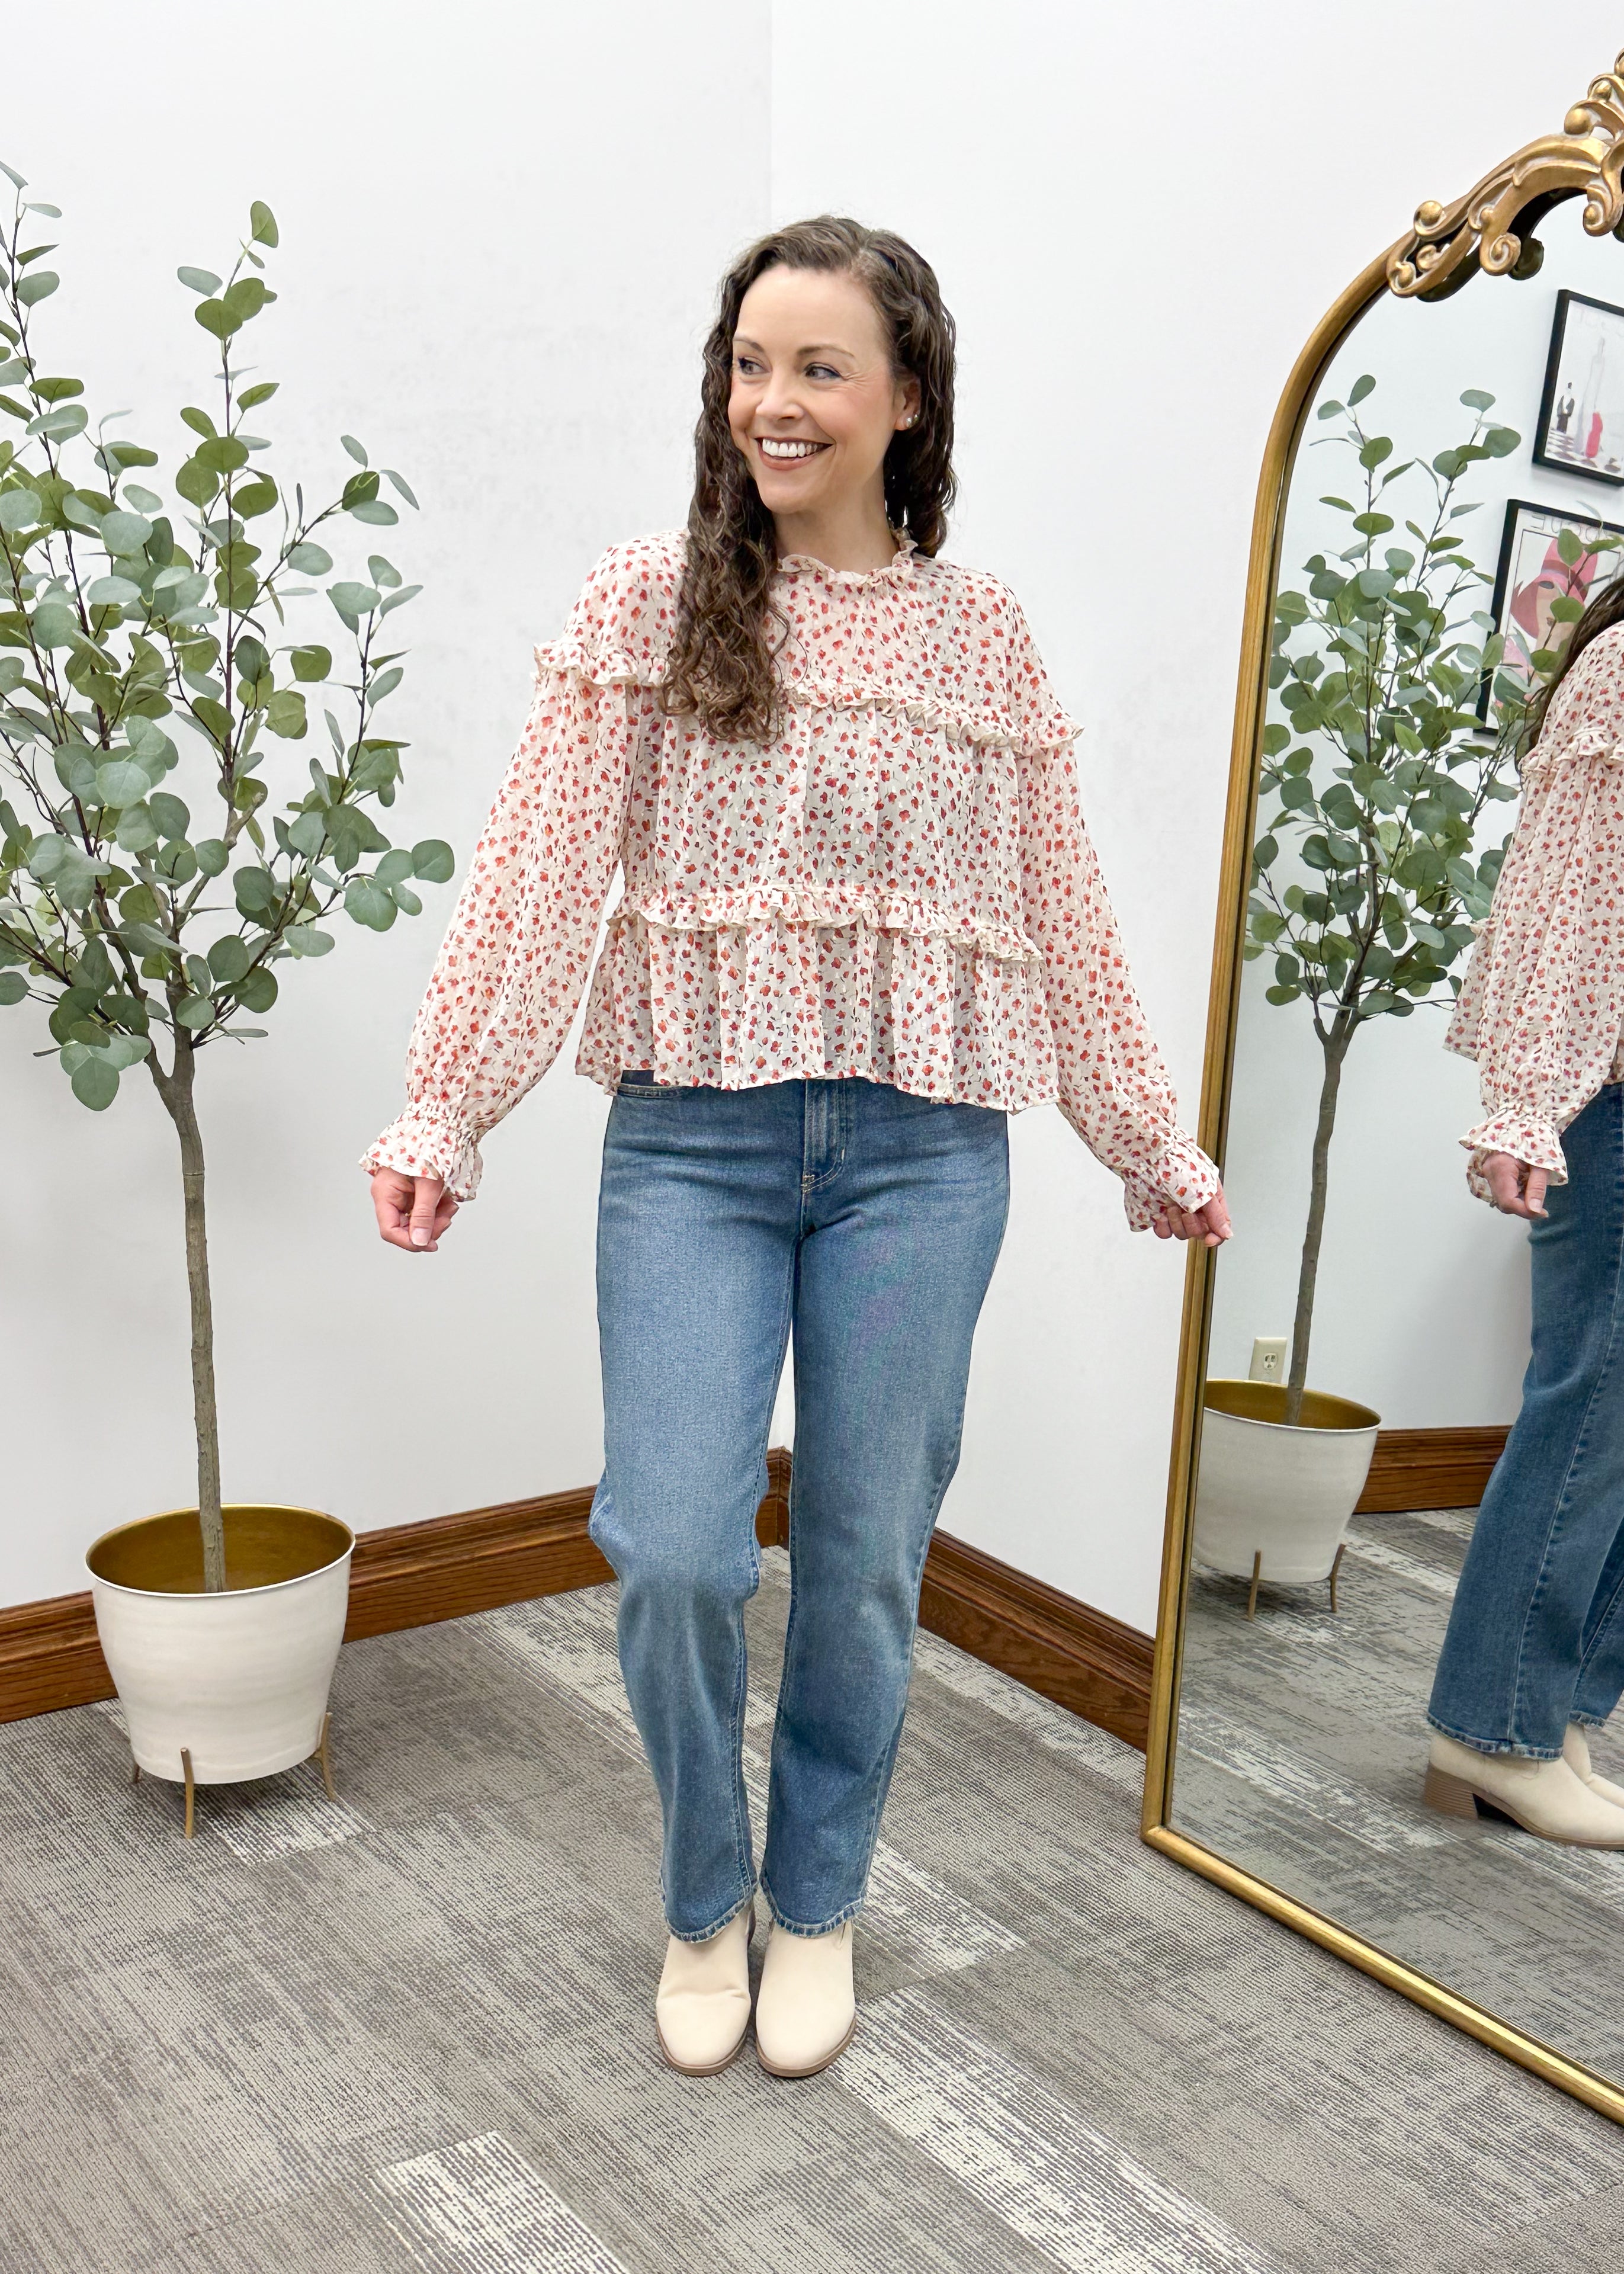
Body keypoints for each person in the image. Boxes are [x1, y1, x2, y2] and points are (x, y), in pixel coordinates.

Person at [363, 217, 1228, 2077]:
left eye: (818, 367)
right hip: (693, 1146)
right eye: (748, 363)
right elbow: (532, 876)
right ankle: (704, 1896)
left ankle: (815, 1898)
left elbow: (1062, 912)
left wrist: (1146, 1140)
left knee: (858, 1558)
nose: (771, 401)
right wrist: (450, 1099)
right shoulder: (647, 604)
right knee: (672, 1545)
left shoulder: (980, 638)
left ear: (905, 398)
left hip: (924, 1157)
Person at [1426, 573, 1624, 1846]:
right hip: (1610, 1101)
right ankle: (1494, 1722)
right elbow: (1556, 909)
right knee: (1591, 1403)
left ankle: (1557, 1716)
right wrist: (1521, 1104)